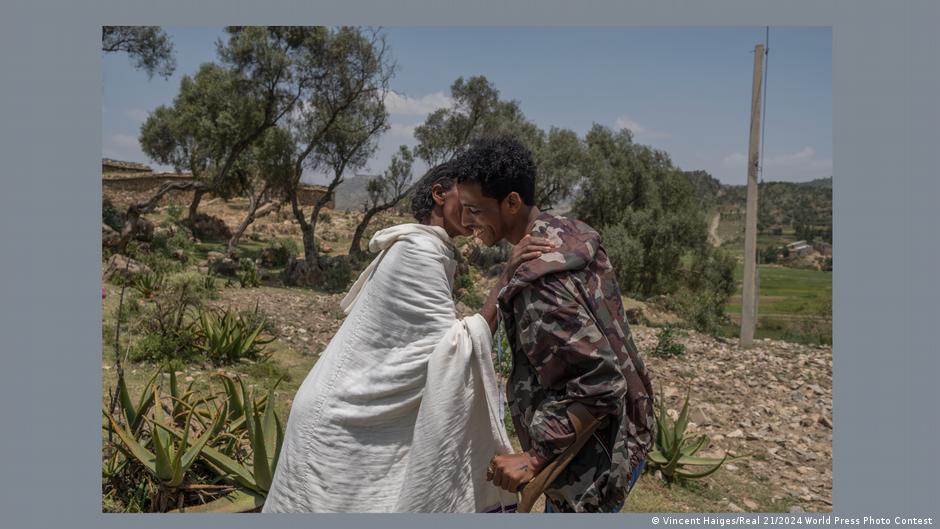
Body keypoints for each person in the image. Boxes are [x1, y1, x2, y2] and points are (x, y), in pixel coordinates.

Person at [261, 161, 552, 513]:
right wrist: (507, 274)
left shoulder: (430, 250)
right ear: (439, 194)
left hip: (351, 415)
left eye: (479, 205)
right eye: (468, 202)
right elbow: (452, 351)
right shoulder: (418, 252)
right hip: (339, 421)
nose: (474, 214)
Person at [454, 136, 655, 513]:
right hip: (626, 429)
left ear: (511, 202)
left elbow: (600, 380)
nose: (467, 222)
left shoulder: (539, 284)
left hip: (591, 462)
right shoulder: (566, 232)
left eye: (475, 210)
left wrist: (533, 457)